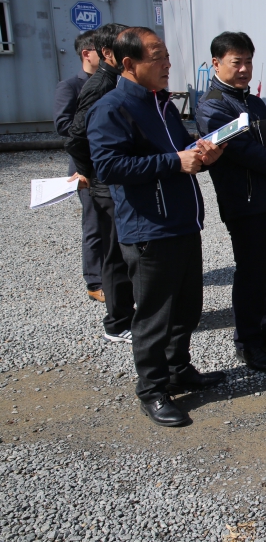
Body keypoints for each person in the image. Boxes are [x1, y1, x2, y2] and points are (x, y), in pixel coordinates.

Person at [88, 27, 226, 427]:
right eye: (157, 57)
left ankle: (179, 370)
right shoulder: (112, 108)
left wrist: (204, 152)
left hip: (182, 222)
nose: (167, 64)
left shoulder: (163, 104)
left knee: (187, 308)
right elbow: (110, 167)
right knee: (153, 316)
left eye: (167, 55)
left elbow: (182, 151)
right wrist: (174, 162)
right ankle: (152, 390)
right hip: (149, 229)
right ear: (129, 64)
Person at [196, 32, 266, 372]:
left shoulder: (252, 101)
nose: (245, 69)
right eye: (236, 62)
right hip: (244, 203)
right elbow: (246, 152)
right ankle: (248, 342)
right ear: (216, 63)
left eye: (248, 62)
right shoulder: (212, 106)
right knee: (252, 274)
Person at [65, 23, 136, 344]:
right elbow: (75, 137)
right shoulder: (100, 86)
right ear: (109, 53)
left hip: (117, 180)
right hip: (107, 182)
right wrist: (90, 171)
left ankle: (124, 314)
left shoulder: (116, 82)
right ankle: (119, 321)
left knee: (119, 249)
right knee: (117, 251)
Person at [53, 29, 104, 302]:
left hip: (110, 163)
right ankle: (95, 282)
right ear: (87, 54)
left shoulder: (112, 83)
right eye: (103, 50)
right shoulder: (70, 86)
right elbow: (63, 125)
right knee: (94, 222)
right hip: (84, 166)